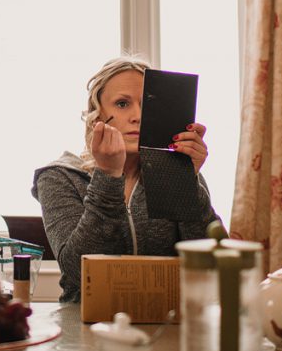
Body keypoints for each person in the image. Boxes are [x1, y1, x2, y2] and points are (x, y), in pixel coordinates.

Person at [31, 55, 219, 302]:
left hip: (166, 324)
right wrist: (108, 175)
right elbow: (78, 272)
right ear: (97, 117)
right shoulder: (60, 176)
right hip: (86, 326)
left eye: (147, 104)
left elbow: (210, 265)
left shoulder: (174, 170)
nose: (138, 116)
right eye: (122, 104)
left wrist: (185, 182)